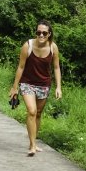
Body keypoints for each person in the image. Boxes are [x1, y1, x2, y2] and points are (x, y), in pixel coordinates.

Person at [9, 19, 62, 156]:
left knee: (38, 113)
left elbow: (56, 67)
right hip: (27, 83)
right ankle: (32, 145)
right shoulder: (28, 45)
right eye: (38, 32)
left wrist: (58, 87)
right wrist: (15, 88)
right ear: (35, 33)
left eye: (44, 32)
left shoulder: (53, 47)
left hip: (44, 84)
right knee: (31, 111)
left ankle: (34, 141)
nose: (41, 35)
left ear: (49, 33)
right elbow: (20, 67)